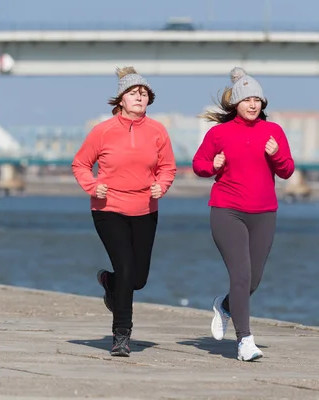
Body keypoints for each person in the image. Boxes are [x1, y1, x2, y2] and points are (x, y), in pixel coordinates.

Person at [71, 66, 176, 357]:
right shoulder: (102, 131)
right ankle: (121, 335)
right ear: (121, 100)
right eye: (134, 93)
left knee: (137, 279)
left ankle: (110, 281)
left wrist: (161, 185)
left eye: (144, 94)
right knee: (127, 268)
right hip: (109, 209)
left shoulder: (158, 131)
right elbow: (80, 164)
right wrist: (92, 186)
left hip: (145, 209)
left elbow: (167, 166)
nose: (140, 97)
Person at [192, 67, 295, 361]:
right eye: (247, 99)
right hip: (227, 210)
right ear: (235, 102)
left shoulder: (273, 132)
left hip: (264, 212)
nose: (253, 104)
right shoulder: (219, 133)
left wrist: (276, 154)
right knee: (241, 273)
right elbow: (199, 164)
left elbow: (287, 171)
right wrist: (214, 164)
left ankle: (225, 306)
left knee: (254, 279)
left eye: (257, 99)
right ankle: (244, 340)